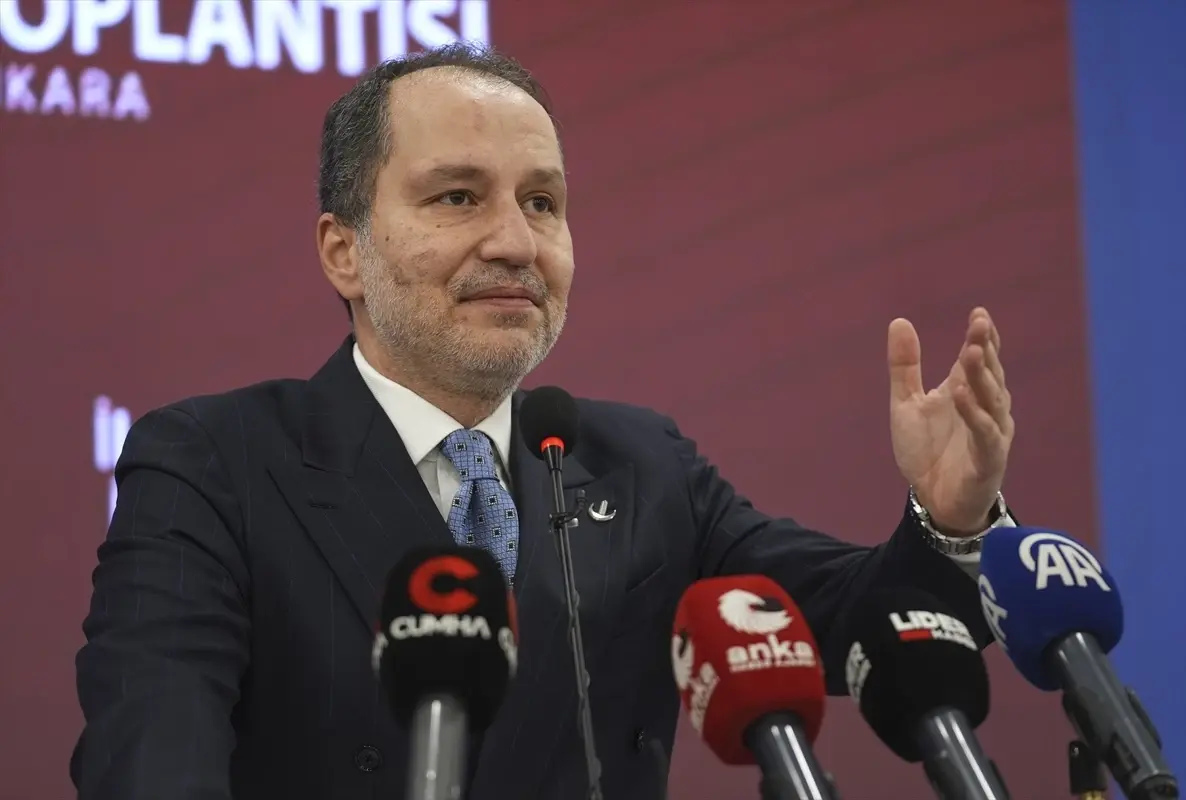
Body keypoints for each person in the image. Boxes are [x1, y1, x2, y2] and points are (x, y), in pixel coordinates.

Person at [71, 43, 1018, 800]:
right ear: (343, 250)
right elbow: (150, 757)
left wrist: (951, 517)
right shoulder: (216, 463)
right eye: (457, 197)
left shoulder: (640, 463)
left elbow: (862, 627)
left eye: (542, 202)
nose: (516, 242)